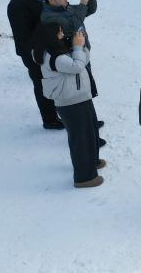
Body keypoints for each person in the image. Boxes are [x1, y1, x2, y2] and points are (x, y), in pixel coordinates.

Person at [35, 22, 104, 188]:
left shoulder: (59, 49)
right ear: (51, 36)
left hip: (79, 97)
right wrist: (78, 48)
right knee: (80, 139)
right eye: (59, 33)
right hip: (71, 102)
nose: (62, 35)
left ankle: (91, 162)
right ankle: (84, 177)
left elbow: (83, 61)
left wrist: (81, 45)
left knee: (90, 133)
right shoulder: (54, 56)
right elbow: (77, 66)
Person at [7, 0, 61, 129]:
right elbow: (24, 35)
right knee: (42, 84)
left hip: (48, 46)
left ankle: (59, 111)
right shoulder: (17, 4)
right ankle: (50, 119)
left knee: (54, 82)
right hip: (35, 53)